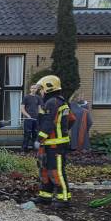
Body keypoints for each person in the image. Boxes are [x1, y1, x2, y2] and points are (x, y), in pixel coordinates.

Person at [33, 75, 76, 208]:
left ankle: (64, 199)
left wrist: (39, 139)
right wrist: (63, 130)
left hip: (55, 145)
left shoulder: (52, 102)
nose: (40, 92)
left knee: (56, 171)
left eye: (41, 89)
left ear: (48, 88)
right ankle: (45, 196)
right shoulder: (61, 102)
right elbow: (72, 119)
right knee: (46, 170)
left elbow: (48, 123)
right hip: (52, 144)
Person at [21, 84, 43, 152]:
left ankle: (35, 150)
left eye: (35, 88)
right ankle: (24, 150)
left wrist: (40, 116)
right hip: (28, 119)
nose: (33, 89)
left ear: (37, 89)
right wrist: (28, 116)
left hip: (36, 119)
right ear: (30, 89)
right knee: (27, 134)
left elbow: (39, 109)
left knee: (35, 134)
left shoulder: (38, 98)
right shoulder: (26, 97)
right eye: (32, 88)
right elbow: (22, 109)